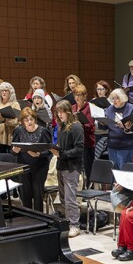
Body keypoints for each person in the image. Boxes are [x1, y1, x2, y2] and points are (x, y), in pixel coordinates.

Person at [51, 100, 84, 238]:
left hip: (72, 167)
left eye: (62, 112)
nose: (59, 114)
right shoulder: (60, 127)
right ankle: (68, 222)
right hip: (62, 165)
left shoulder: (76, 127)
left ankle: (74, 225)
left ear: (68, 112)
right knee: (64, 198)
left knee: (70, 198)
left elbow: (79, 148)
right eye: (58, 112)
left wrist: (62, 154)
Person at [11, 107, 52, 212]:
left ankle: (40, 219)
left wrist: (38, 154)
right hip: (23, 166)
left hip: (39, 167)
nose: (29, 122)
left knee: (38, 194)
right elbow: (13, 150)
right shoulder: (18, 131)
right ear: (22, 121)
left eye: (31, 119)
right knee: (25, 194)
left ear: (35, 119)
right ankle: (28, 218)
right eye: (26, 120)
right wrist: (14, 151)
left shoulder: (43, 131)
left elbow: (49, 151)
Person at [105, 88, 133, 169]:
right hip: (112, 145)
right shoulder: (109, 109)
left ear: (122, 98)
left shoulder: (131, 108)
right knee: (114, 172)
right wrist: (101, 123)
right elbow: (106, 126)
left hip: (126, 146)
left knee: (124, 172)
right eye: (112, 98)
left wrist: (126, 127)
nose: (114, 100)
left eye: (117, 98)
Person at [72, 84, 96, 186]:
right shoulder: (72, 107)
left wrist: (79, 123)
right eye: (75, 95)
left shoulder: (89, 107)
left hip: (87, 142)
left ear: (85, 96)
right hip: (75, 142)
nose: (77, 97)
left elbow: (91, 127)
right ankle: (78, 188)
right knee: (76, 167)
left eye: (80, 95)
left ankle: (88, 188)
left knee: (87, 167)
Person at [0, 82, 21, 155]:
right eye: (2, 90)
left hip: (10, 135)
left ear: (10, 92)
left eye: (6, 90)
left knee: (11, 157)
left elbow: (17, 121)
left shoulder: (15, 104)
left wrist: (4, 120)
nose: (4, 92)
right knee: (0, 157)